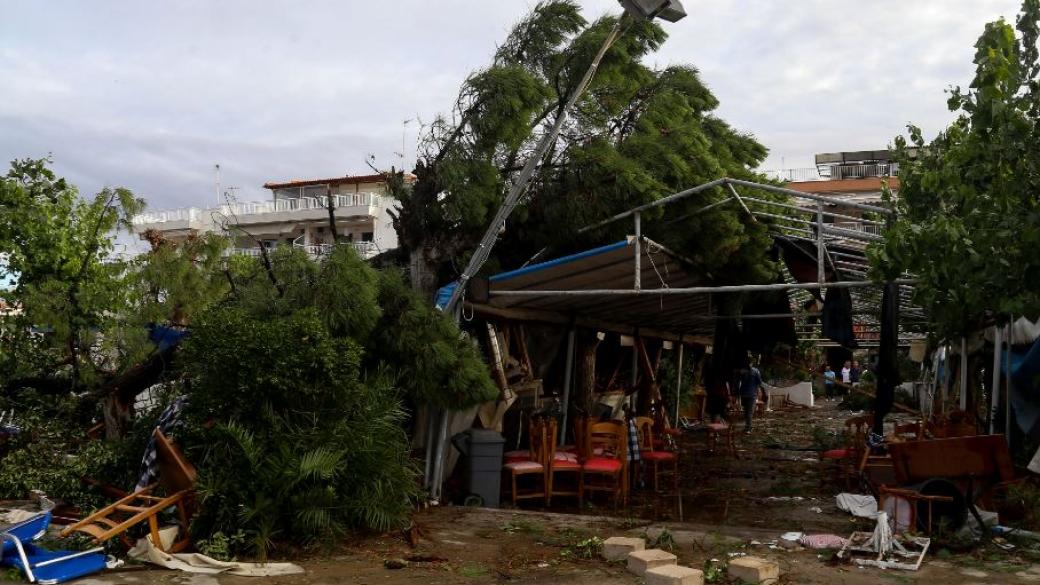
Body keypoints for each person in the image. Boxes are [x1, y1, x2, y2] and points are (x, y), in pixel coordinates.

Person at [738, 363, 762, 433]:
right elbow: (759, 382)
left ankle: (748, 427)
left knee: (746, 411)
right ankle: (748, 428)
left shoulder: (742, 371)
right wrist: (757, 388)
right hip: (751, 394)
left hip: (744, 393)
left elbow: (738, 381)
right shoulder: (756, 371)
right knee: (749, 412)